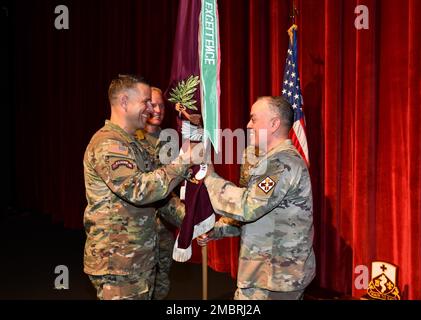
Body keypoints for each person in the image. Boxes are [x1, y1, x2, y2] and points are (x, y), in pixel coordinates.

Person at [83, 74, 194, 300]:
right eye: (145, 102)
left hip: (138, 259)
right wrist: (183, 161)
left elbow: (160, 200)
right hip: (118, 264)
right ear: (124, 102)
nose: (150, 109)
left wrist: (195, 221)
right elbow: (140, 190)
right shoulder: (109, 143)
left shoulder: (133, 143)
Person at [199, 96, 315, 300]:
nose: (248, 125)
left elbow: (247, 207)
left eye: (254, 119)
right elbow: (258, 219)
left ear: (274, 124)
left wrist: (210, 177)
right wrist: (216, 230)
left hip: (275, 281)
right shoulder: (267, 160)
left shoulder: (282, 163)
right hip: (264, 275)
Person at [135, 87, 176, 300]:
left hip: (165, 224)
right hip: (139, 229)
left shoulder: (170, 140)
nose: (159, 110)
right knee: (140, 283)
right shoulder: (131, 139)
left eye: (162, 105)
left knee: (162, 279)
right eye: (154, 105)